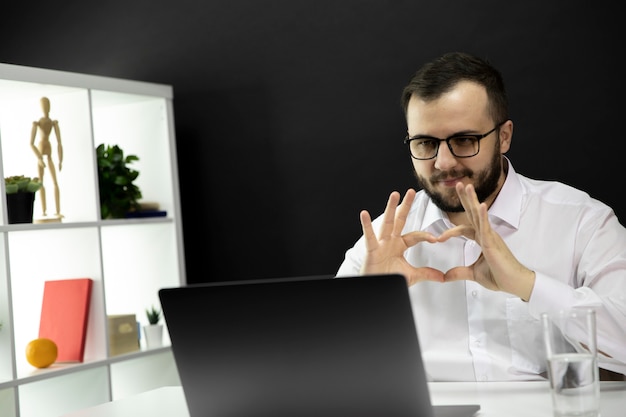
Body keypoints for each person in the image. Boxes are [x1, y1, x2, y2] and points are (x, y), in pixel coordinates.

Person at [336, 52, 626, 382]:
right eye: (425, 143)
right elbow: (319, 372)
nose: (443, 162)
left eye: (463, 140)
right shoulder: (379, 244)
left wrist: (527, 284)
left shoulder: (581, 222)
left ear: (504, 136)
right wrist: (368, 302)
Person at [30, 96, 63, 219]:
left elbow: (59, 142)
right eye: (44, 105)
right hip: (41, 150)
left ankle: (57, 210)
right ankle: (44, 210)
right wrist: (39, 157)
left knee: (54, 181)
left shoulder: (53, 123)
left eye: (47, 105)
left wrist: (60, 159)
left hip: (49, 152)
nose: (46, 108)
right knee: (41, 182)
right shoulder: (37, 123)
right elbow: (31, 143)